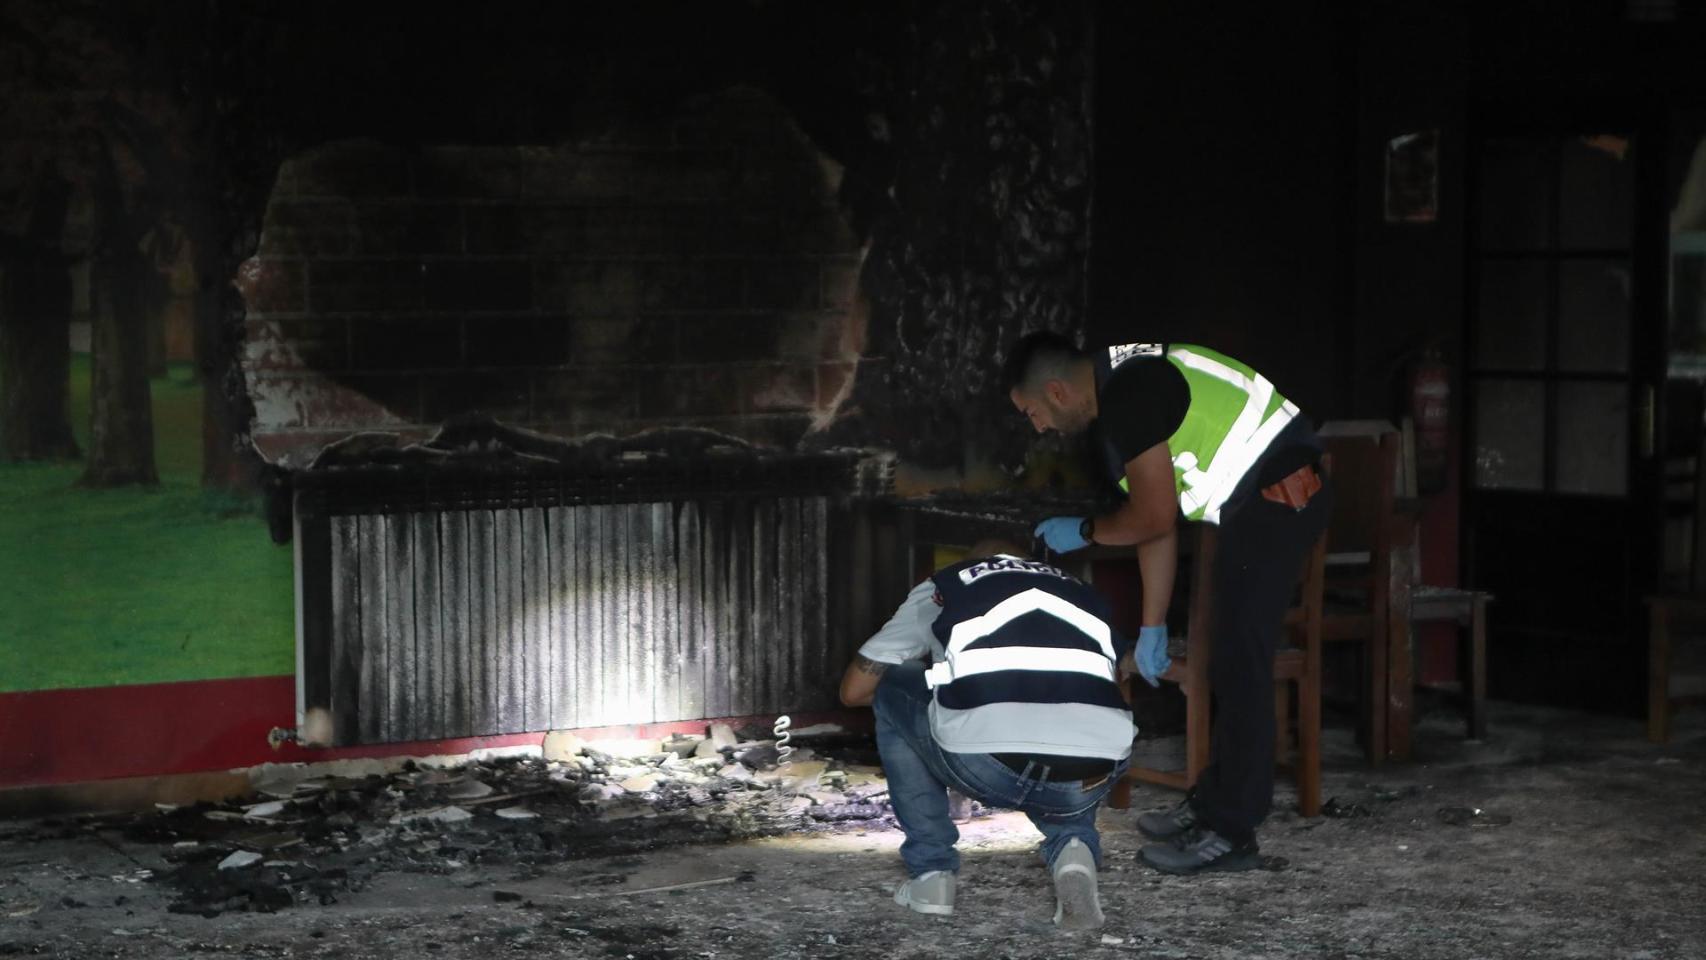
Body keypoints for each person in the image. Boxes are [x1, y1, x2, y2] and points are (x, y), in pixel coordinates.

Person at [1003, 332, 1332, 876]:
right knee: (1227, 660)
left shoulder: (1130, 397)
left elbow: (1152, 518)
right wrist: (1152, 624)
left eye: (1033, 413)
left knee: (1241, 663)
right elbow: (1155, 522)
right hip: (1254, 505)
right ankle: (1211, 805)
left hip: (1280, 494)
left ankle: (1232, 833)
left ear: (1057, 392)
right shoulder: (1118, 394)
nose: (1037, 427)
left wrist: (1085, 530)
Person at [839, 540, 1133, 929]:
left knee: (895, 686)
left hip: (984, 764)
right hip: (1094, 772)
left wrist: (947, 685)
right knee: (1076, 716)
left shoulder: (948, 585)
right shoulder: (1084, 592)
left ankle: (931, 875)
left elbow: (853, 691)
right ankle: (1074, 847)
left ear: (974, 560)